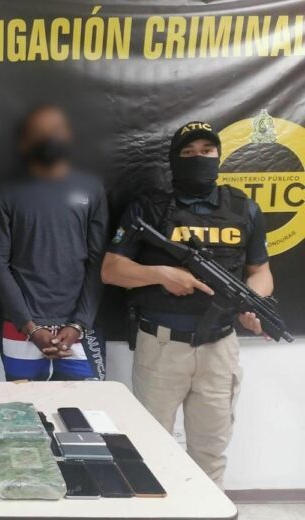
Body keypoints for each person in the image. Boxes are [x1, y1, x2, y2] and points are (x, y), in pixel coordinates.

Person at [101, 121, 273, 487]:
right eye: (188, 152)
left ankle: (208, 509)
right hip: (161, 346)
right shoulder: (149, 208)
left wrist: (254, 302)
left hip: (219, 348)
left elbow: (260, 271)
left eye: (207, 151)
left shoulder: (243, 208)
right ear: (174, 161)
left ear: (219, 156)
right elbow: (111, 270)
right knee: (150, 450)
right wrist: (161, 274)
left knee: (210, 453)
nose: (199, 158)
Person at [0, 105, 108, 381]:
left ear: (68, 135)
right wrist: (30, 327)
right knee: (21, 407)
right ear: (25, 141)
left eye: (54, 130)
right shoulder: (5, 191)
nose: (48, 137)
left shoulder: (91, 188)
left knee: (85, 407)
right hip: (21, 328)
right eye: (39, 132)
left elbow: (98, 262)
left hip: (81, 330)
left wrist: (79, 324)